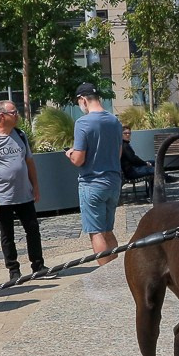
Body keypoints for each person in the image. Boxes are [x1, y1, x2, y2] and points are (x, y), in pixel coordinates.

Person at [0, 101, 47, 284]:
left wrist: (36, 186)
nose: (17, 115)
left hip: (24, 194)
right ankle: (13, 270)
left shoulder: (20, 135)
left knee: (33, 229)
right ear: (2, 116)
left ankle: (38, 265)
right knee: (7, 235)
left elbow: (29, 162)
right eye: (13, 112)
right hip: (3, 197)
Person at [67, 81, 123, 263]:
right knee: (108, 230)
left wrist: (70, 154)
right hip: (113, 181)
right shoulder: (115, 121)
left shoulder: (83, 123)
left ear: (82, 100)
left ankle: (105, 276)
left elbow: (79, 159)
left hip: (92, 183)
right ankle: (118, 272)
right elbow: (119, 152)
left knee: (96, 232)